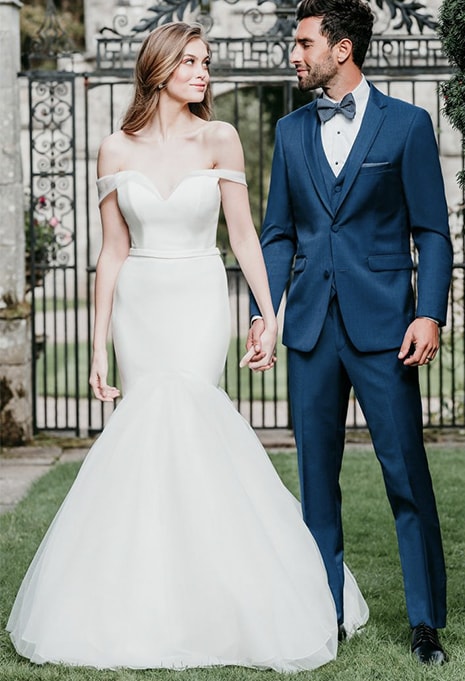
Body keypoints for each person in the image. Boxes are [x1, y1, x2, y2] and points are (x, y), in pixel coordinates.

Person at [7, 21, 368, 672]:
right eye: (192, 62)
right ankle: (140, 597)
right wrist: (95, 348)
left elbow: (244, 235)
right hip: (140, 301)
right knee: (144, 437)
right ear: (160, 68)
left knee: (196, 423)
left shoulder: (220, 137)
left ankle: (228, 591)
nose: (204, 73)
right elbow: (111, 252)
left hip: (199, 296)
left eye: (207, 62)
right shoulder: (114, 149)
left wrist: (268, 311)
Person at [249, 0, 453, 666]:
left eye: (303, 42)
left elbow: (431, 229)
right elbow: (278, 233)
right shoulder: (287, 133)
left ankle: (424, 622)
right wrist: (265, 311)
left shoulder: (407, 126)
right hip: (309, 328)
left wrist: (427, 311)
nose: (293, 53)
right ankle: (323, 612)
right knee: (316, 481)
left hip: (384, 327)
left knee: (405, 476)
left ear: (340, 50)